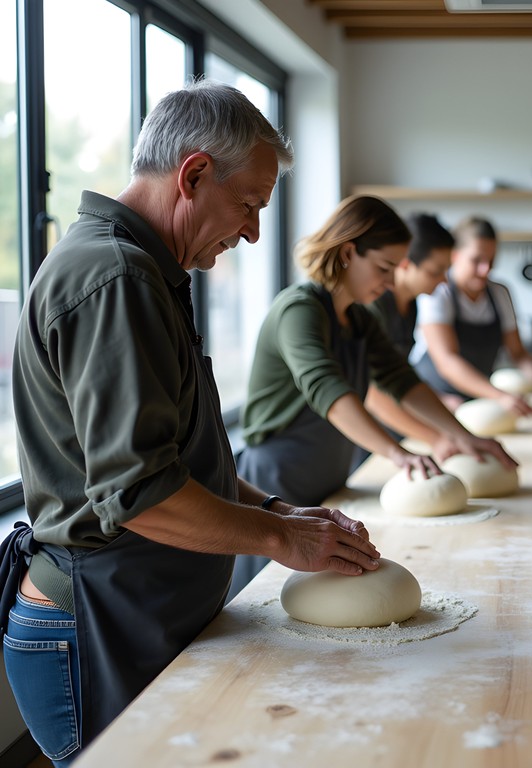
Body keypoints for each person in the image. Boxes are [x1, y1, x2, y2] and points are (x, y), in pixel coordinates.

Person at [1, 81, 383, 765]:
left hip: (133, 613)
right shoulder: (116, 278)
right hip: (95, 625)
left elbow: (177, 461)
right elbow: (141, 494)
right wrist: (278, 539)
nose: (253, 231)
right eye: (249, 205)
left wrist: (279, 510)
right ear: (195, 174)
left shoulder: (146, 272)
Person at [236, 196, 516, 511]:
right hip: (277, 480)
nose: (391, 281)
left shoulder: (359, 319)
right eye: (384, 268)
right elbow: (327, 390)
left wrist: (463, 435)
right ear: (348, 253)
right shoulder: (299, 310)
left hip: (329, 475)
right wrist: (397, 452)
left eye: (396, 269)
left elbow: (402, 381)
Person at [410, 216, 532, 418]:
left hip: (480, 397)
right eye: (476, 260)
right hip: (436, 397)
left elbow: (518, 352)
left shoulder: (499, 293)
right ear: (455, 256)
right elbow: (446, 360)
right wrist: (499, 396)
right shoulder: (438, 291)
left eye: (491, 260)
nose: (485, 269)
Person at [364, 212, 459, 447]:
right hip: (367, 432)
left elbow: (400, 374)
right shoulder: (375, 306)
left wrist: (438, 401)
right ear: (405, 264)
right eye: (435, 272)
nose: (444, 281)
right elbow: (370, 393)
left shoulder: (412, 304)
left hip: (398, 425)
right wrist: (436, 438)